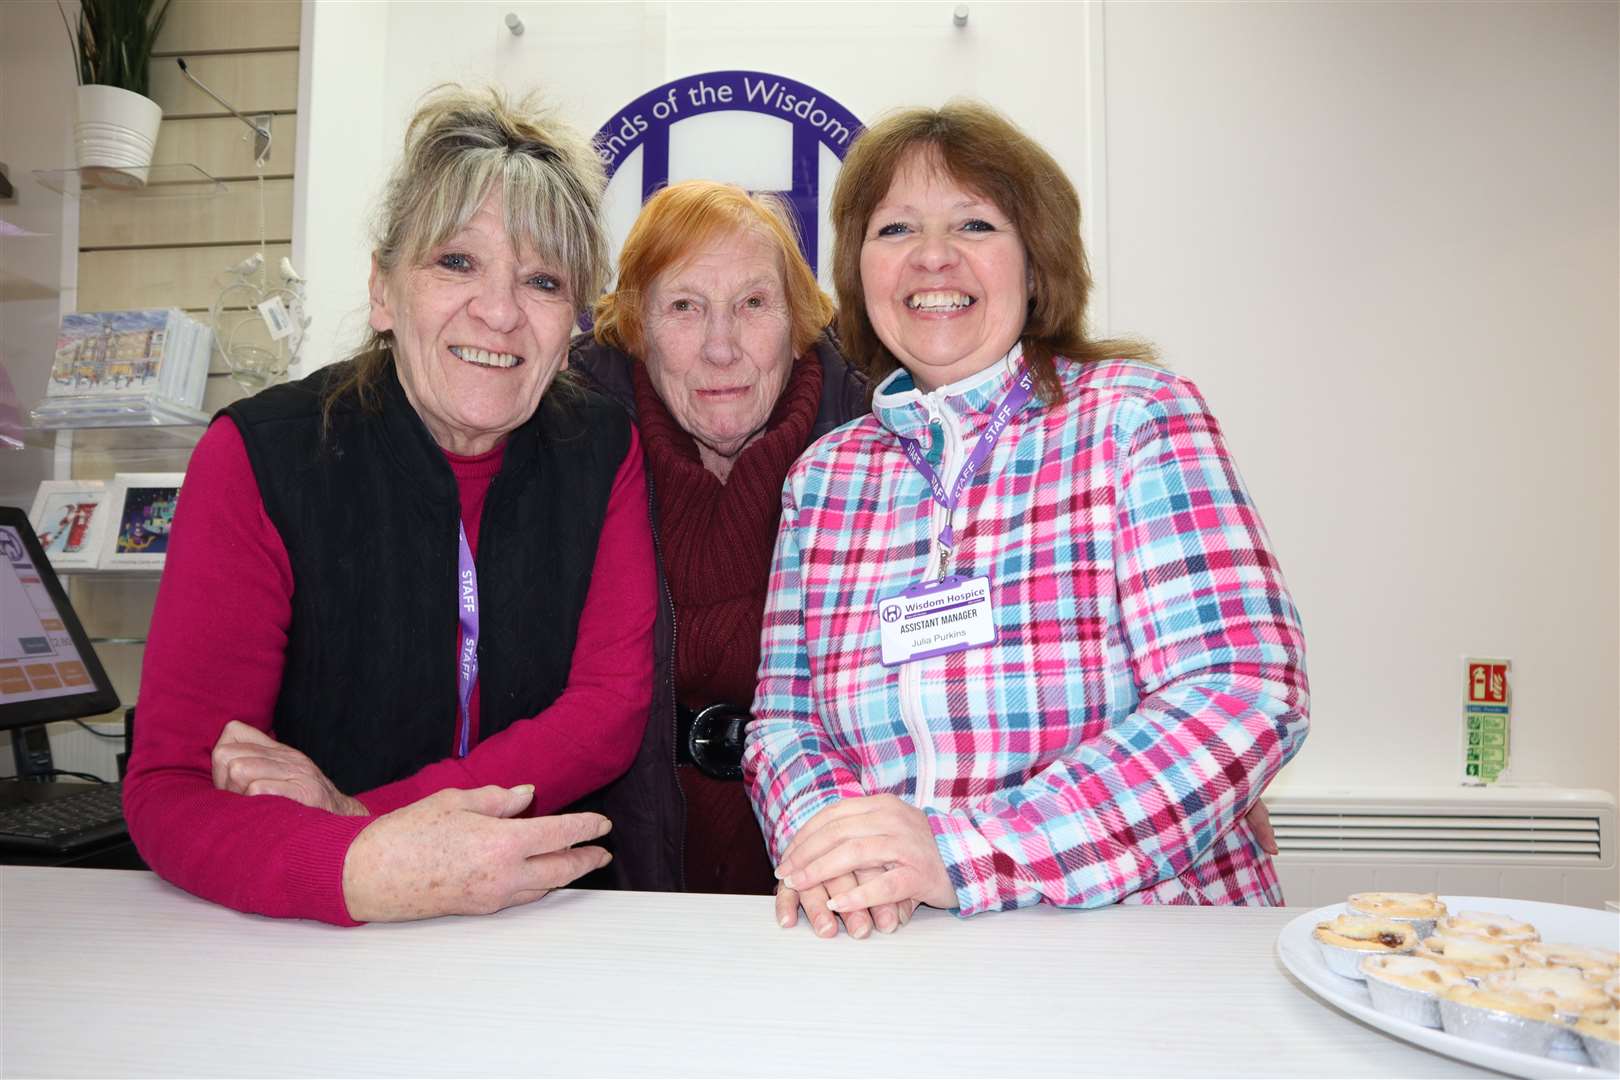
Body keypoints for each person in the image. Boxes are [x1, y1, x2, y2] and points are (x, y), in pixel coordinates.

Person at [746, 101, 1310, 938]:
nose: (932, 257)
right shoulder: (824, 478)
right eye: (895, 229)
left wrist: (961, 851)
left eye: (975, 222)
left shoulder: (1136, 420)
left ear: (1037, 260)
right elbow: (785, 724)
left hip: (1147, 944)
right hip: (899, 947)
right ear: (859, 272)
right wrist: (849, 855)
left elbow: (1241, 693)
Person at [122, 87, 659, 925]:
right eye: (456, 262)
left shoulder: (603, 449)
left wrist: (361, 821)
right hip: (305, 942)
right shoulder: (260, 456)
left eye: (544, 280)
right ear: (382, 291)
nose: (500, 311)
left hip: (540, 918)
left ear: (573, 326)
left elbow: (605, 712)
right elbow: (173, 787)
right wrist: (359, 868)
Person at [571, 180, 866, 894]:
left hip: (839, 880)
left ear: (798, 318)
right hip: (616, 886)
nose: (722, 346)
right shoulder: (573, 455)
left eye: (753, 305)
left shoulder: (877, 445)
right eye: (684, 307)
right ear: (637, 326)